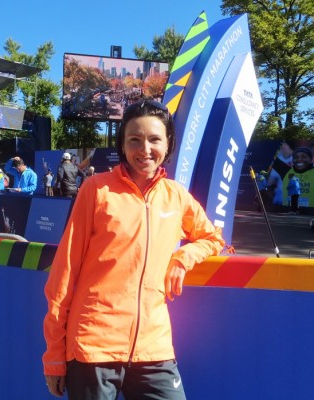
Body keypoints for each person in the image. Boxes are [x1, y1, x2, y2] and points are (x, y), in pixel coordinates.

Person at [42, 100, 225, 399]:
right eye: (134, 140)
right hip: (93, 346)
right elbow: (63, 274)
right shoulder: (96, 190)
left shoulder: (176, 196)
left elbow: (213, 237)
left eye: (154, 139)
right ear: (122, 145)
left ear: (168, 144)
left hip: (154, 346)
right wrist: (54, 355)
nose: (145, 149)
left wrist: (183, 257)